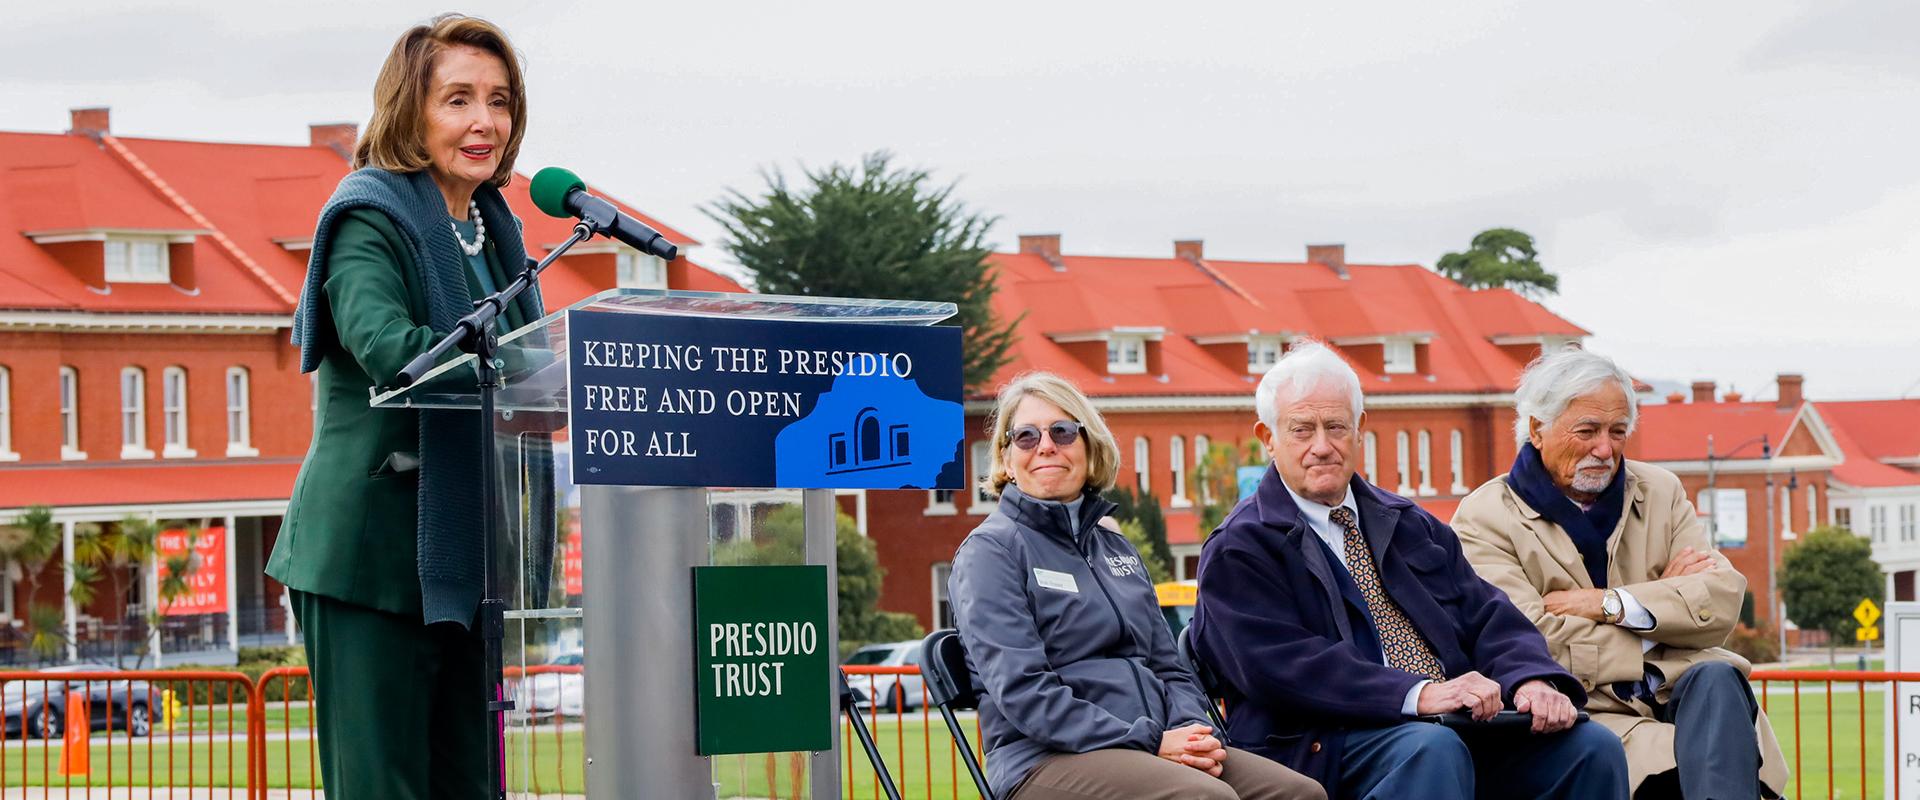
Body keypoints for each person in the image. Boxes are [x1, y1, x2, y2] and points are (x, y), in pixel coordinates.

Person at [265, 14, 545, 798]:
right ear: (409, 111)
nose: (485, 121)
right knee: (382, 787)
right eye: (458, 99)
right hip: (369, 560)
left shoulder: (498, 232)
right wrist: (527, 365)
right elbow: (391, 347)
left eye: (499, 100)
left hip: (467, 563)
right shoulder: (368, 217)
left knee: (471, 784)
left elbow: (537, 364)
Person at [1189, 341, 1629, 800]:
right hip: (1322, 744)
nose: (1322, 446)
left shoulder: (1408, 523)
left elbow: (1487, 615)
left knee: (1590, 747)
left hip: (1453, 725)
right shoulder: (1241, 547)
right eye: (1302, 430)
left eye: (1336, 426)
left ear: (1359, 429)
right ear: (1267, 438)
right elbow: (1282, 667)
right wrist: (1416, 694)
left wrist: (1530, 678)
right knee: (1432, 749)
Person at [947, 372, 1324, 800]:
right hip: (1043, 759)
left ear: (1090, 448)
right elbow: (1025, 692)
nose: (1046, 446)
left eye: (1063, 432)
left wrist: (1185, 729)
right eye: (1026, 437)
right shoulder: (991, 552)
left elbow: (1169, 667)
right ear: (1006, 459)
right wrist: (1149, 741)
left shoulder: (1114, 548)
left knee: (1300, 793)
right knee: (1204, 798)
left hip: (1152, 746)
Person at [1453, 348, 1787, 798]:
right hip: (1591, 717)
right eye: (1587, 431)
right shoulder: (1484, 517)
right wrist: (1659, 616)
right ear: (1537, 429)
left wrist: (1609, 603)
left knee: (1718, 679)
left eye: (1617, 431)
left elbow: (1722, 598)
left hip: (1690, 702)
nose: (1605, 449)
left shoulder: (1660, 491)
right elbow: (1527, 639)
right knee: (1697, 760)